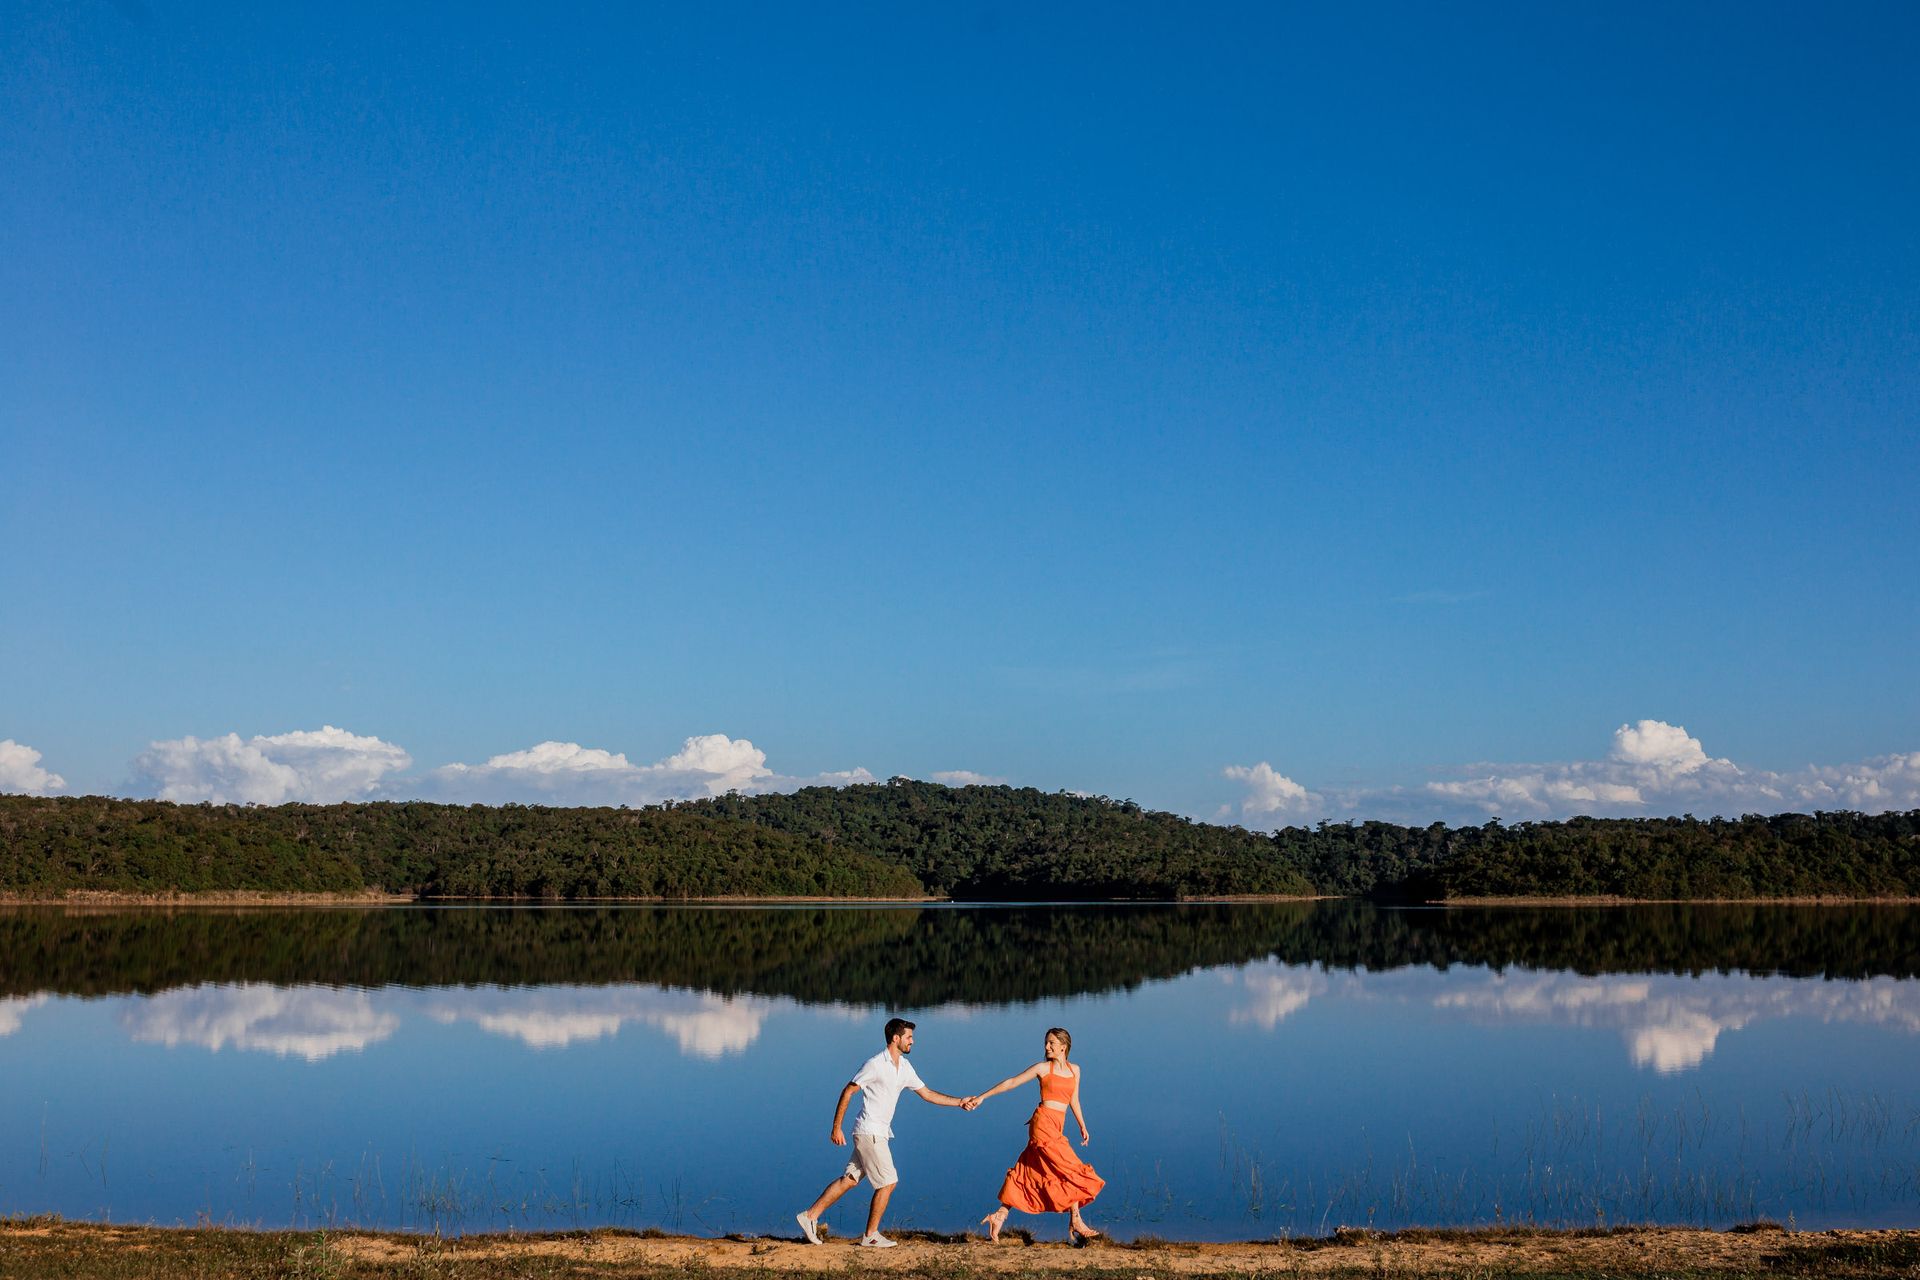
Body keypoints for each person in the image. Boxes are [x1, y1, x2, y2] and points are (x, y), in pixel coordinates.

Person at [795, 1017, 976, 1248]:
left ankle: (809, 1216)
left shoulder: (905, 1067)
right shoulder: (875, 1064)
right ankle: (870, 1235)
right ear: (896, 1038)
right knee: (888, 1182)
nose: (913, 1041)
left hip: (877, 1132)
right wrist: (836, 1127)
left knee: (849, 1180)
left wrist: (960, 1101)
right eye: (909, 1037)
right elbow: (848, 1091)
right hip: (870, 1131)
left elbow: (928, 1094)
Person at [965, 1026, 1104, 1244]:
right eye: (1046, 1043)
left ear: (1063, 1046)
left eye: (1051, 1043)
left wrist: (1082, 1126)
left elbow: (1073, 1099)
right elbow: (1011, 1082)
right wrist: (983, 1096)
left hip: (1058, 1125)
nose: (1047, 1047)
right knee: (1071, 1168)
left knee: (1029, 1171)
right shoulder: (1042, 1068)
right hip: (1043, 1124)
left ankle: (999, 1216)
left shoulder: (1074, 1070)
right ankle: (1076, 1220)